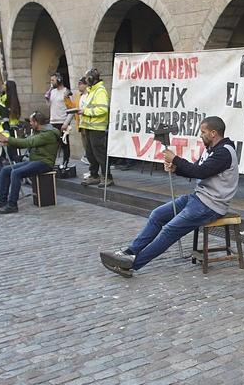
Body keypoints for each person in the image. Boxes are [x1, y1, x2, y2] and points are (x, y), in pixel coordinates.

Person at [99, 116, 237, 276]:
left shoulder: (224, 152)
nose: (201, 135)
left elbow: (201, 172)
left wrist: (176, 158)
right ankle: (130, 251)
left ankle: (131, 264)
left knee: (170, 230)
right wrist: (175, 168)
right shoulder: (212, 150)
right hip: (198, 198)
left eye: (203, 132)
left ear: (213, 133)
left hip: (210, 205)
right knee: (157, 215)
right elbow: (195, 169)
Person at [0, 111, 60, 215]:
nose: (30, 124)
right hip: (35, 160)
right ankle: (2, 200)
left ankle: (12, 205)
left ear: (36, 122)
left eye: (31, 122)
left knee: (16, 173)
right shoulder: (39, 131)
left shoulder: (48, 134)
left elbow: (28, 142)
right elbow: (26, 141)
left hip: (45, 163)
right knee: (6, 170)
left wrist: (7, 139)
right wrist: (7, 142)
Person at [77, 68, 112, 187]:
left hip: (97, 128)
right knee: (90, 154)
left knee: (99, 154)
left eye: (86, 78)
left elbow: (102, 109)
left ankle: (107, 177)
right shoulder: (92, 90)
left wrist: (85, 111)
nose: (85, 80)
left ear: (91, 79)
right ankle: (94, 175)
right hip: (89, 127)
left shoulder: (100, 91)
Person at [46, 74, 72, 169]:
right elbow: (49, 105)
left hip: (62, 121)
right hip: (53, 121)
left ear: (59, 80)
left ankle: (65, 162)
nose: (51, 82)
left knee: (64, 143)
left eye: (53, 80)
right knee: (52, 144)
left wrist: (66, 123)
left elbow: (71, 109)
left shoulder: (66, 92)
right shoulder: (52, 92)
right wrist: (47, 97)